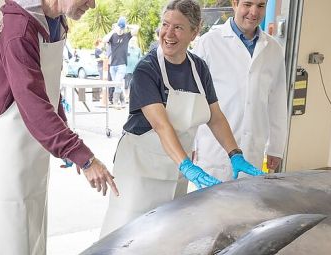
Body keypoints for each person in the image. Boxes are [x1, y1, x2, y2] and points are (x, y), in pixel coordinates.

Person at [0, 0, 117, 255]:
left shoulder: (56, 22)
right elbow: (32, 101)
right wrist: (82, 156)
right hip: (6, 147)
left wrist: (62, 131)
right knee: (9, 244)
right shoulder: (19, 27)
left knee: (30, 236)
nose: (91, 5)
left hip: (30, 143)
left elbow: (48, 90)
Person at [100, 0, 263, 237]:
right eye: (165, 25)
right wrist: (188, 167)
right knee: (126, 238)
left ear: (194, 32)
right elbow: (161, 125)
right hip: (140, 170)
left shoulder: (199, 69)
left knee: (165, 237)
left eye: (178, 27)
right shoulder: (147, 69)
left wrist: (235, 154)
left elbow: (215, 117)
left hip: (175, 170)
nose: (168, 33)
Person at [193, 0, 289, 179]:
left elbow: (277, 102)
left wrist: (276, 147)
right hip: (214, 151)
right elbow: (194, 98)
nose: (253, 12)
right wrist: (190, 145)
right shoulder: (209, 43)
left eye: (260, 6)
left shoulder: (274, 49)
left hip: (253, 149)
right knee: (211, 205)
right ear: (235, 3)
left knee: (249, 204)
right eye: (247, 4)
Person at [105, 16, 134, 105]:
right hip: (113, 64)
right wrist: (114, 30)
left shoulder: (126, 36)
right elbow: (104, 40)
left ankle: (115, 102)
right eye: (120, 27)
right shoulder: (113, 36)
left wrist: (127, 26)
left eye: (122, 28)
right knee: (116, 84)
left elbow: (136, 29)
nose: (121, 29)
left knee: (117, 83)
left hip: (122, 64)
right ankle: (123, 101)